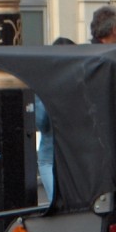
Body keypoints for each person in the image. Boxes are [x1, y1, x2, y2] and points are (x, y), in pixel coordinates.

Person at [35, 37, 75, 199]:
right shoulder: (78, 80)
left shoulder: (46, 82)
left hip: (53, 155)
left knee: (61, 203)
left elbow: (41, 122)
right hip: (66, 155)